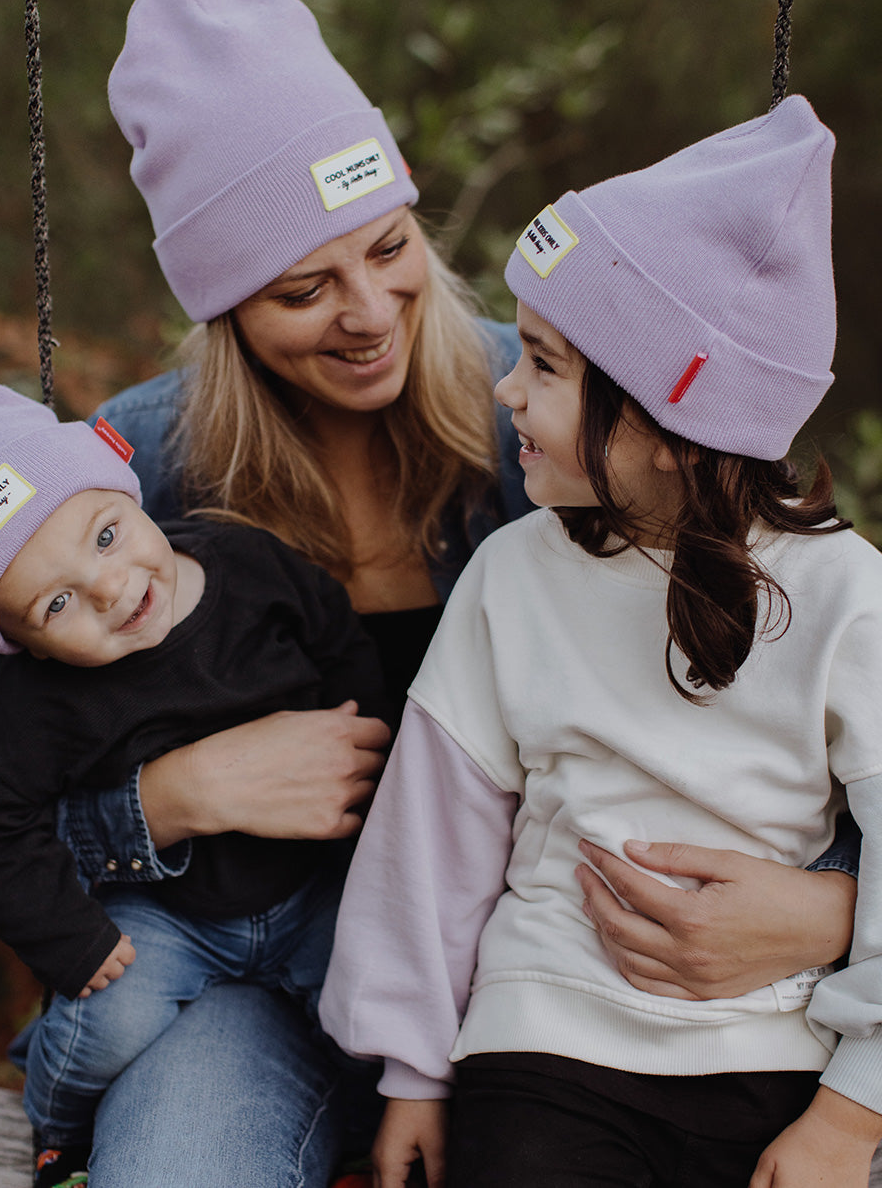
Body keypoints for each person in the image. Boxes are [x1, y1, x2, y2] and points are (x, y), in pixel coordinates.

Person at [0, 0, 859, 1184]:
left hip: (570, 978)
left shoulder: (571, 417)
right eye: (302, 290)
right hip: (254, 979)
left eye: (389, 247)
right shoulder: (125, 482)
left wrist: (825, 909)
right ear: (223, 307)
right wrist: (167, 800)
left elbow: (804, 667)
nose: (370, 316)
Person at [319, 95, 882, 1188]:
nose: (505, 390)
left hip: (779, 1054)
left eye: (544, 365)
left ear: (673, 426)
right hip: (544, 1047)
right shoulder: (515, 576)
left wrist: (852, 1112)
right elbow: (432, 837)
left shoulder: (845, 596)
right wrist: (413, 1074)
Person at [0, 376, 391, 1188]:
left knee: (378, 1002)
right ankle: (57, 1139)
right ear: (16, 639)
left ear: (124, 486)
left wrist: (370, 743)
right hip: (166, 918)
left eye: (105, 537)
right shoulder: (24, 700)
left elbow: (336, 632)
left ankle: (369, 1133)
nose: (109, 590)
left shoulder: (246, 563)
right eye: (58, 601)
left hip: (310, 890)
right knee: (108, 1019)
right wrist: (71, 937)